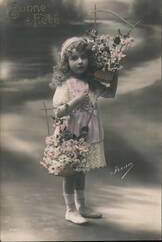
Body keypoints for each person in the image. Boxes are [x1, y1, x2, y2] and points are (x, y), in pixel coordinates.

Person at [50, 36, 118, 225]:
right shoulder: (66, 83)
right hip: (71, 134)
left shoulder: (93, 79)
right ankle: (70, 209)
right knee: (71, 172)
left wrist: (114, 73)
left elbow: (111, 92)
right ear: (66, 62)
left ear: (89, 59)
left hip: (87, 133)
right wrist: (76, 101)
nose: (80, 61)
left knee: (82, 171)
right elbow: (58, 112)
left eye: (83, 57)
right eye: (74, 58)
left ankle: (82, 206)